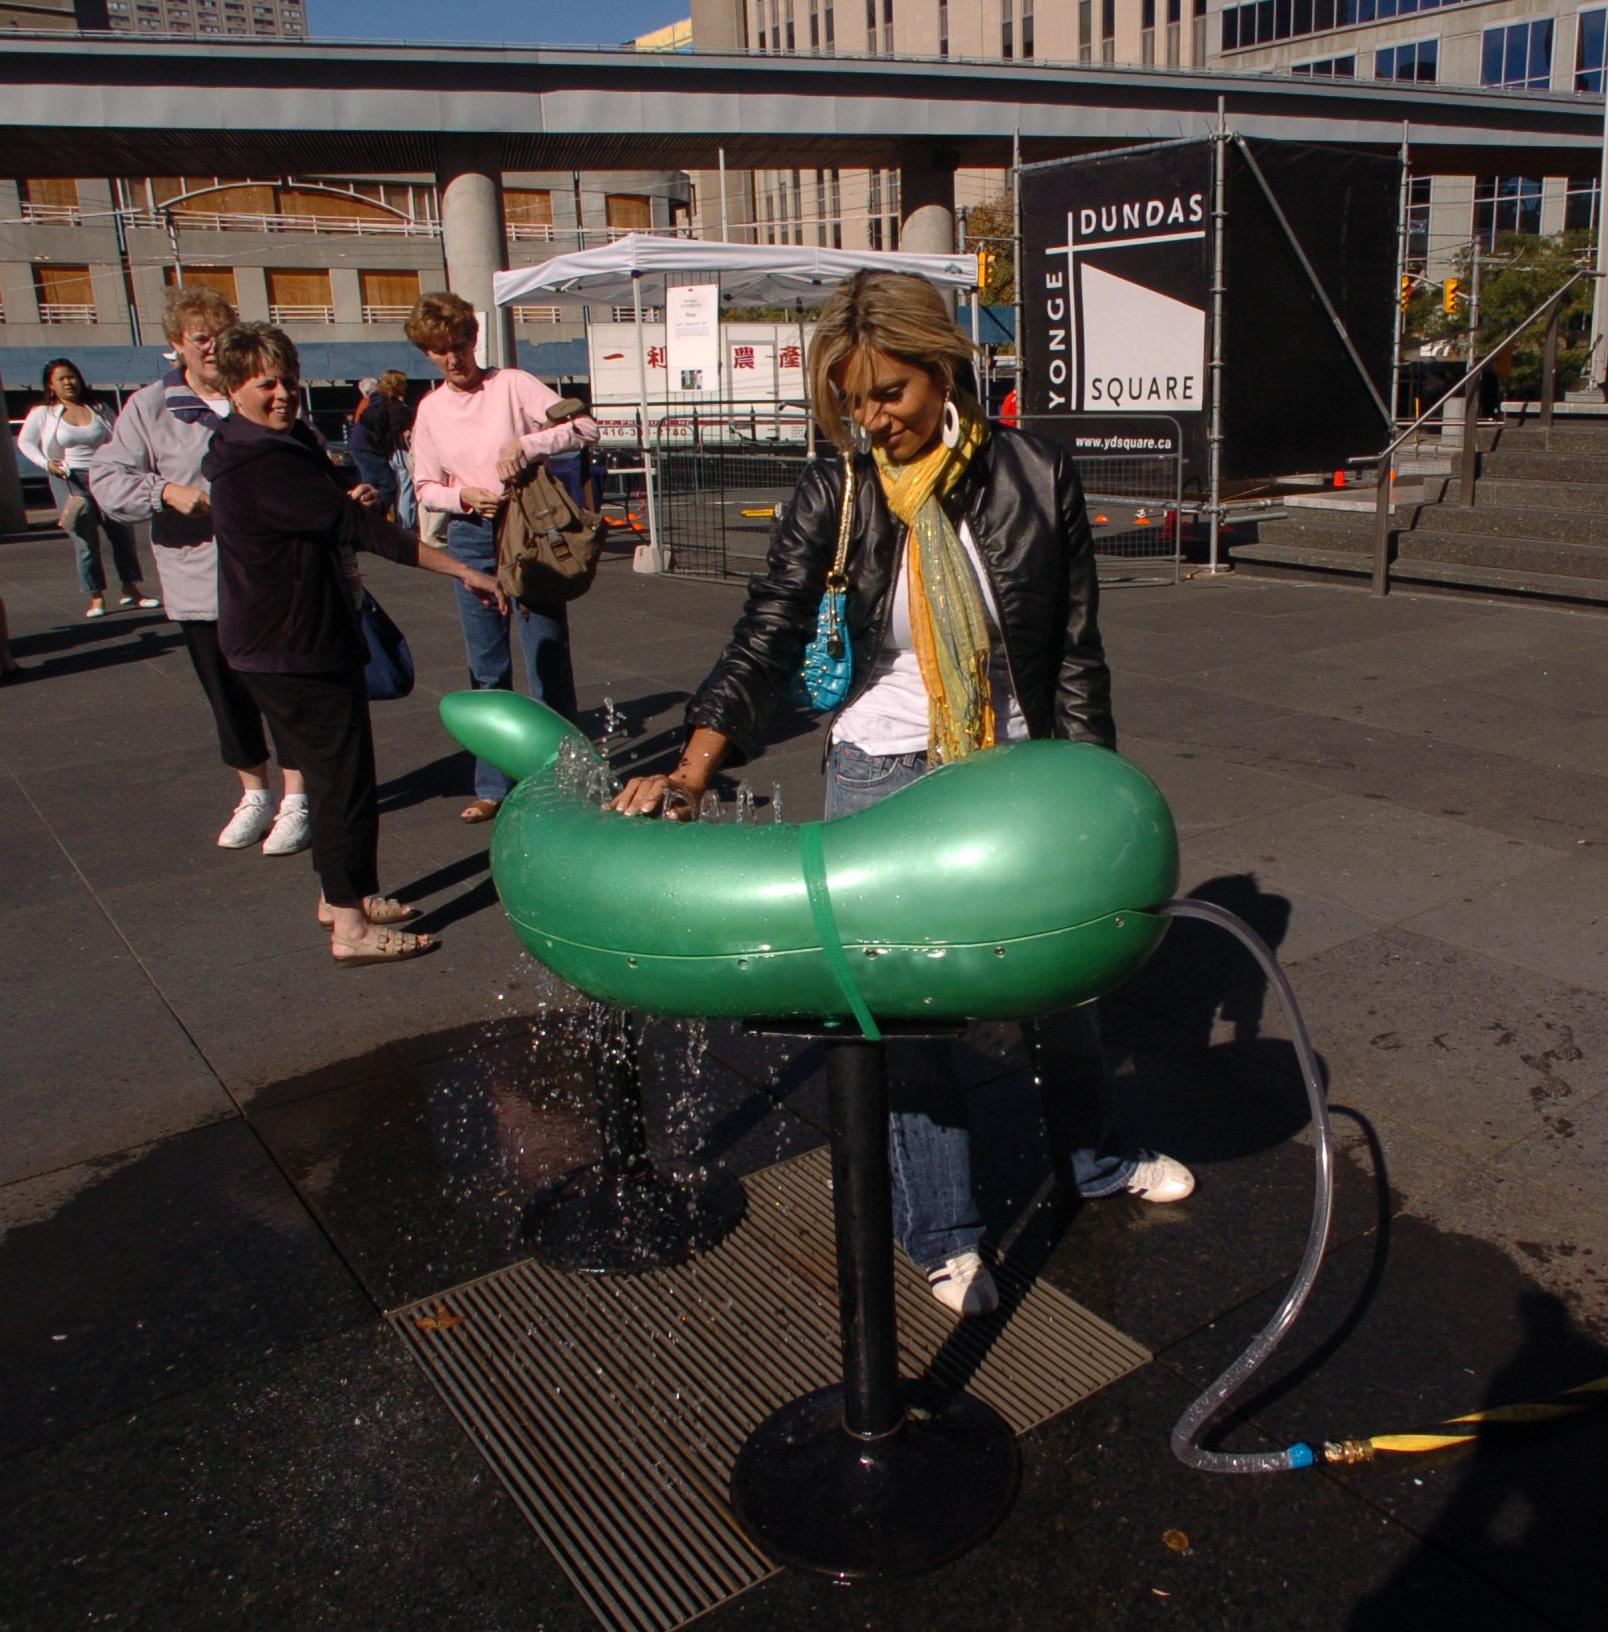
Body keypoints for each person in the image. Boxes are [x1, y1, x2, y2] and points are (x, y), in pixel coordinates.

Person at [613, 270, 1193, 1318]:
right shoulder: (836, 490)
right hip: (880, 768)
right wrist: (693, 766)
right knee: (901, 1014)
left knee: (1064, 985)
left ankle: (1097, 1160)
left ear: (942, 369)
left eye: (890, 393)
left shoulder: (1033, 474)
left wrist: (1095, 784)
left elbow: (1071, 650)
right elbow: (766, 633)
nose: (873, 420)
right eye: (853, 401)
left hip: (1012, 765)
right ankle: (945, 1233)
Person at [203, 322, 509, 965]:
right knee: (340, 781)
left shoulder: (261, 445)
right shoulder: (264, 460)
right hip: (293, 644)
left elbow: (323, 514)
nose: (283, 394)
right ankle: (350, 926)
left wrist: (343, 499)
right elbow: (362, 530)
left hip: (285, 638)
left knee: (338, 774)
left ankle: (344, 895)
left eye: (289, 381)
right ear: (233, 389)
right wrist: (463, 570)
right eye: (266, 384)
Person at [90, 285, 311, 855]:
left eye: (221, 334)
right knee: (228, 697)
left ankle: (297, 798)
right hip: (200, 583)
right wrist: (164, 492)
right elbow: (107, 479)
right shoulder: (150, 406)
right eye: (200, 337)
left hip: (271, 579)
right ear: (176, 344)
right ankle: (254, 792)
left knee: (283, 692)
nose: (212, 346)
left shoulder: (257, 391)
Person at [405, 290, 599, 823]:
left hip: (529, 529)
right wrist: (462, 497)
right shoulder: (430, 409)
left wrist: (528, 445)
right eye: (440, 350)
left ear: (474, 338)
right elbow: (425, 487)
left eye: (460, 344)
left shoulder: (512, 384)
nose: (453, 358)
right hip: (472, 535)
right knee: (486, 667)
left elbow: (585, 427)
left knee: (547, 658)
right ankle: (493, 784)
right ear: (426, 353)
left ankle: (567, 779)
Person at [18, 358, 159, 619]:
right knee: (85, 540)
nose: (68, 382)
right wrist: (46, 464)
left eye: (71, 376)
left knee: (122, 534)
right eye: (61, 379)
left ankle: (131, 588)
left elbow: (119, 438)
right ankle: (96, 595)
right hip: (69, 479)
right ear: (50, 384)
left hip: (104, 476)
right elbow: (26, 443)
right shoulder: (44, 413)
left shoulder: (99, 408)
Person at [352, 370, 412, 513]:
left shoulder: (375, 401)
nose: (406, 386)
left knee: (370, 485)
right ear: (397, 385)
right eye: (404, 383)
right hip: (370, 450)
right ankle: (376, 516)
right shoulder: (395, 408)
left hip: (361, 446)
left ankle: (368, 517)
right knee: (388, 486)